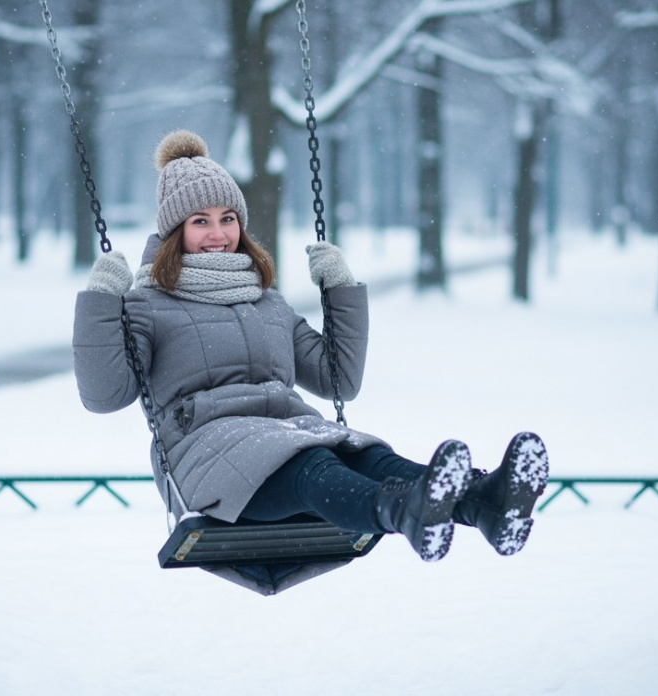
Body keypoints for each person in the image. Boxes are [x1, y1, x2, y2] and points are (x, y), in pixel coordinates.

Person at [72, 130, 549, 562]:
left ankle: (484, 502)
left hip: (290, 433)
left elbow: (337, 379)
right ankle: (405, 512)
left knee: (368, 457)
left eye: (228, 218)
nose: (218, 234)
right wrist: (99, 302)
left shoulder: (267, 303)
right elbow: (104, 396)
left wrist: (340, 289)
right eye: (200, 221)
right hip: (207, 456)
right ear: (175, 233)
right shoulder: (147, 306)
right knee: (315, 462)